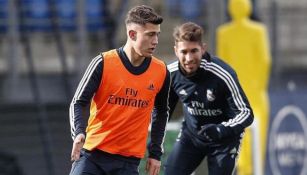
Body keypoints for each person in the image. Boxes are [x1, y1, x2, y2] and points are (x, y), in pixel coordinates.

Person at [69, 5, 170, 175]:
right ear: (132, 34)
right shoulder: (103, 62)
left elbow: (161, 112)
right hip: (93, 156)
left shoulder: (161, 71)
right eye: (150, 35)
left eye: (157, 35)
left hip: (127, 163)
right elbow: (78, 102)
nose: (156, 41)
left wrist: (155, 153)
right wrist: (79, 133)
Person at [165, 22, 254, 175]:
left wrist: (221, 129)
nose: (189, 58)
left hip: (224, 139)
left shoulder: (222, 74)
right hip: (192, 137)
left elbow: (246, 113)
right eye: (184, 52)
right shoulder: (170, 74)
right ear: (175, 51)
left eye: (194, 51)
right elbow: (162, 110)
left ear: (203, 49)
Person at [217, 0, 271, 174]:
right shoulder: (258, 31)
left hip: (234, 97)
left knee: (237, 143)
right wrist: (258, 88)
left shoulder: (223, 33)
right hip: (254, 96)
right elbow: (265, 62)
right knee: (256, 145)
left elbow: (222, 68)